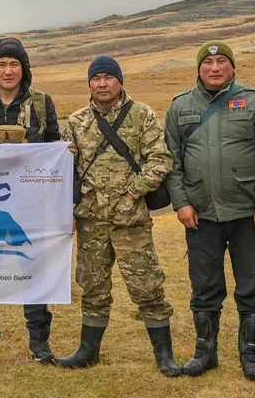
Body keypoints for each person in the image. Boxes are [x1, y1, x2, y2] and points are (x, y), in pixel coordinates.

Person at [56, 55, 180, 377]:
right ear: (89, 84)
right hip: (91, 220)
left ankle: (164, 355)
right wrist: (62, 155)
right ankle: (88, 351)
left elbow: (160, 160)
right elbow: (59, 170)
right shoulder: (76, 121)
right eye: (95, 78)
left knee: (147, 286)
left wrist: (131, 193)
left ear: (120, 81)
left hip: (130, 220)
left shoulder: (142, 116)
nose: (102, 84)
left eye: (108, 77)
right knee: (93, 286)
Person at [164, 40, 255, 381]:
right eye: (208, 62)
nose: (215, 68)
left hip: (248, 212)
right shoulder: (180, 106)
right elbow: (171, 160)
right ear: (199, 68)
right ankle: (205, 353)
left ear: (232, 66)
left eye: (222, 62)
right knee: (204, 285)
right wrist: (181, 202)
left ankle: (251, 356)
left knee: (252, 285)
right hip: (200, 213)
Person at [0, 37, 62, 366]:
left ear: (24, 69)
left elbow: (54, 148)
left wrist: (64, 154)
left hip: (30, 205)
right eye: (1, 64)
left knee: (33, 269)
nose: (8, 70)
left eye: (14, 64)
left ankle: (39, 340)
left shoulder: (43, 103)